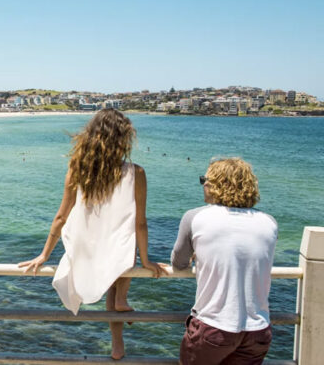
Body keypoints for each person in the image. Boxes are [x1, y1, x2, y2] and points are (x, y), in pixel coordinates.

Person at [19, 109, 166, 360]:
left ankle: (118, 338)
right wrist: (146, 260)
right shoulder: (136, 173)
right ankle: (120, 313)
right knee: (123, 248)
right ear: (122, 139)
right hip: (118, 250)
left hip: (85, 247)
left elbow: (61, 217)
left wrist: (44, 255)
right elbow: (140, 223)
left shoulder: (78, 169)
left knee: (115, 260)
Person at [171, 158, 277, 365]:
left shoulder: (195, 217)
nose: (203, 185)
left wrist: (198, 255)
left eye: (205, 180)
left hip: (214, 326)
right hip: (258, 330)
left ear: (216, 185)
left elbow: (178, 263)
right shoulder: (269, 222)